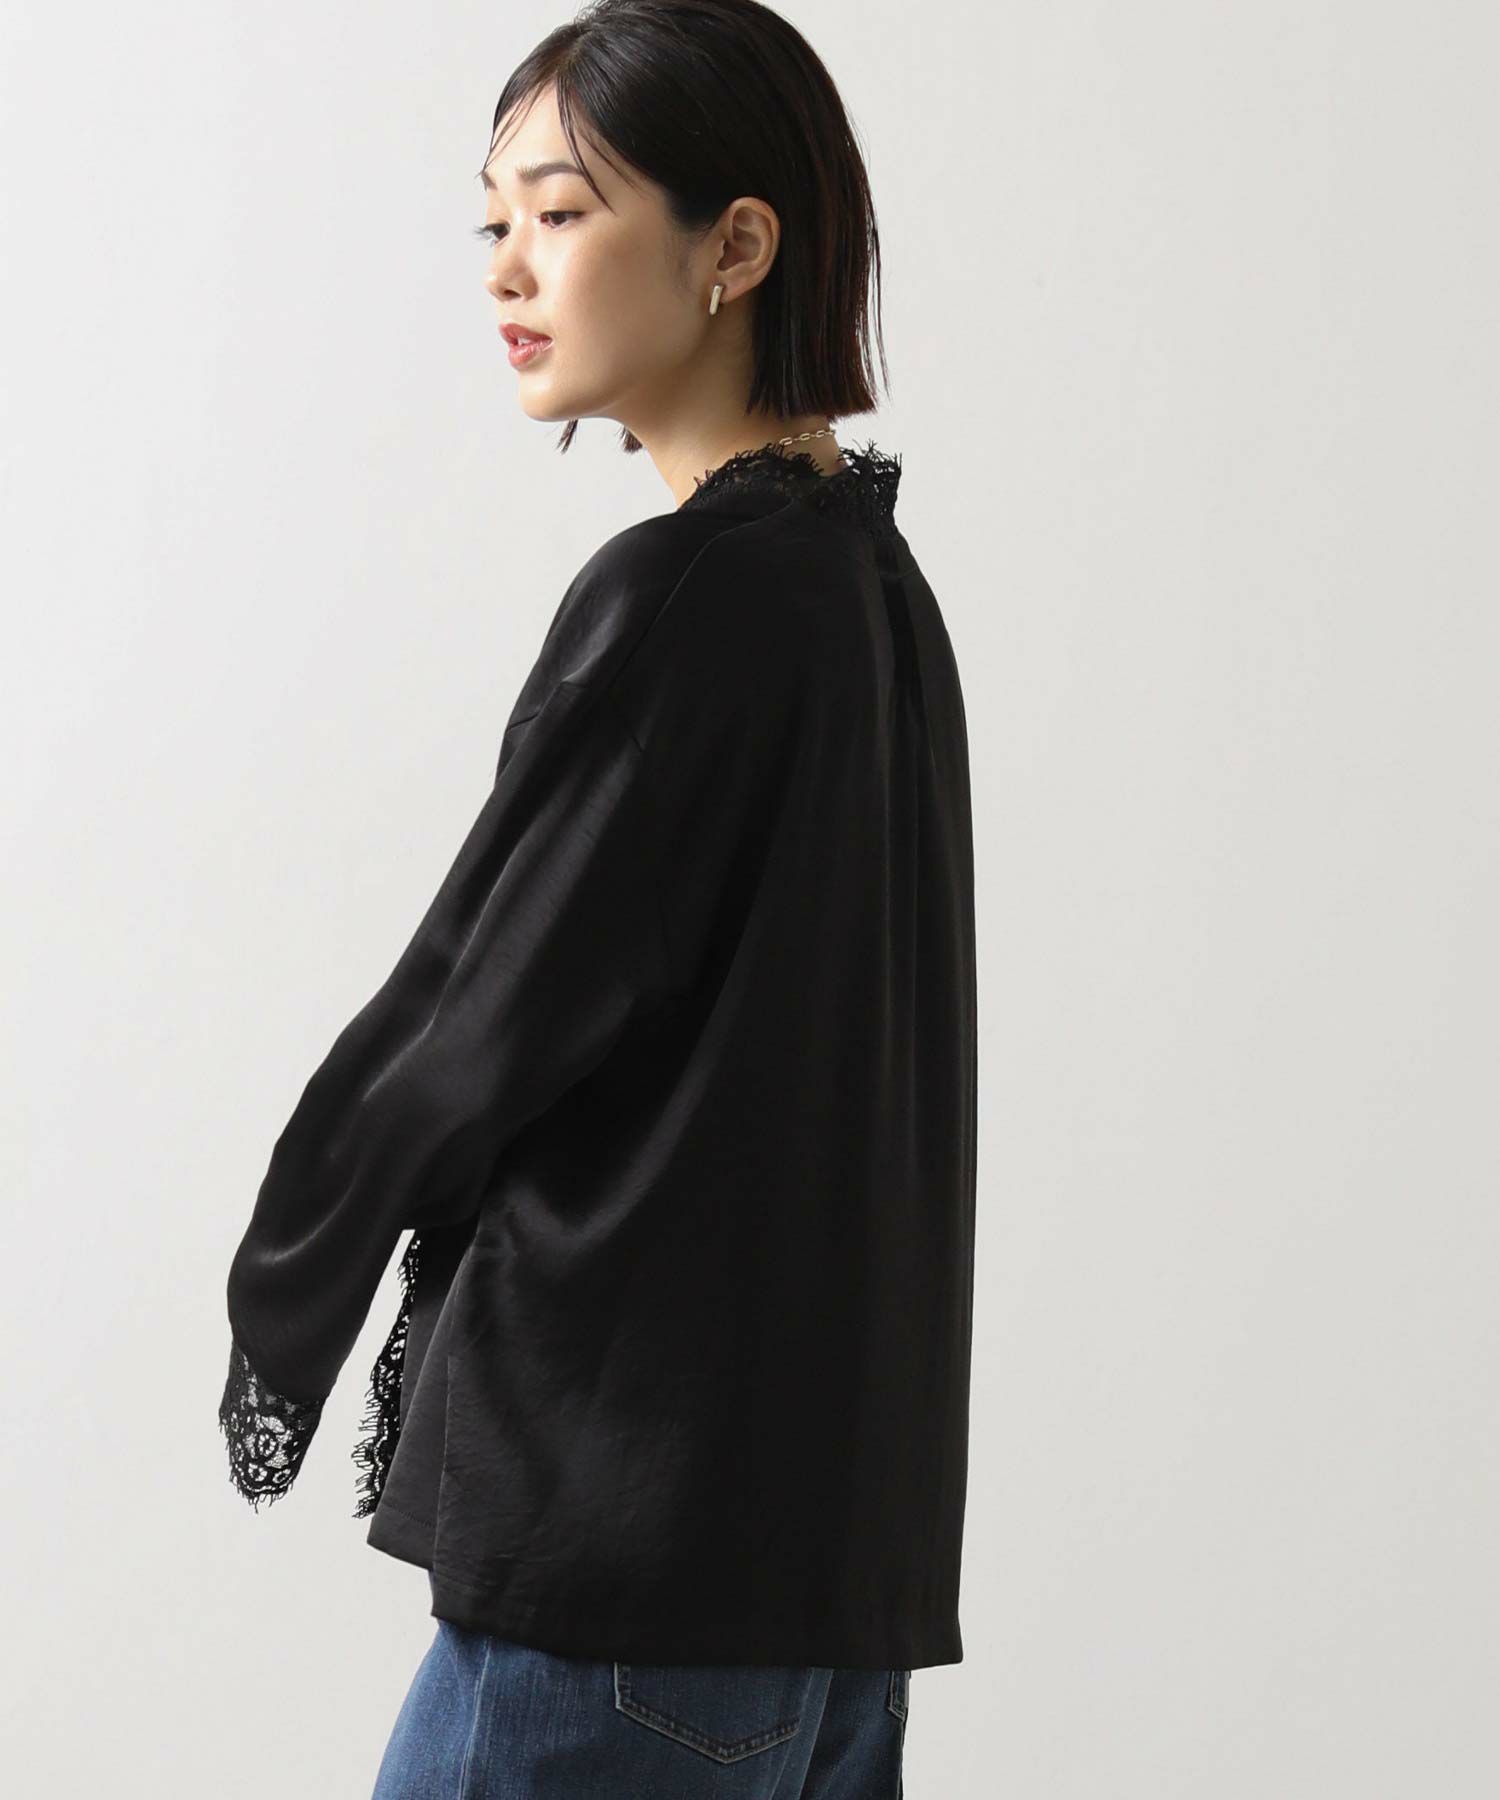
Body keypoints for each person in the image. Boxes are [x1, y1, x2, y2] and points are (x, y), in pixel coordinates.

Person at [217, 3, 976, 1794]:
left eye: (562, 212)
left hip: (625, 1582)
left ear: (737, 244)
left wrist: (288, 1283)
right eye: (495, 221)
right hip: (824, 1604)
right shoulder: (872, 592)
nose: (508, 267)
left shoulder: (688, 597)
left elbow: (477, 1011)